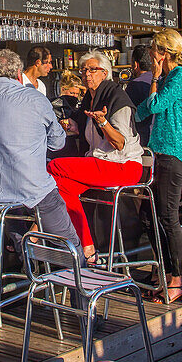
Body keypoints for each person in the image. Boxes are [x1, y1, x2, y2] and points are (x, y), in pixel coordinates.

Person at [0, 49, 79, 249]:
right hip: (30, 189)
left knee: (13, 210)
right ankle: (75, 267)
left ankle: (26, 255)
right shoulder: (35, 99)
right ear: (19, 75)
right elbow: (58, 143)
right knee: (68, 242)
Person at [46, 51, 144, 263]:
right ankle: (87, 248)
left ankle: (38, 231)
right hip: (101, 163)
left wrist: (103, 122)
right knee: (59, 186)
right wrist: (73, 126)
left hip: (123, 166)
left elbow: (119, 143)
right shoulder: (90, 101)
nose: (86, 74)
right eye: (83, 70)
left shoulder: (117, 99)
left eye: (92, 70)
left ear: (105, 73)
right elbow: (89, 133)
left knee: (54, 166)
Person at [134, 29, 182, 305]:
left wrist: (156, 78)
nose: (149, 54)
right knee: (153, 215)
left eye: (153, 49)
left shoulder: (180, 76)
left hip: (174, 153)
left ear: (164, 53)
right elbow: (142, 111)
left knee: (169, 217)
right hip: (161, 153)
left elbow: (155, 104)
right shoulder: (171, 78)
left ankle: (178, 280)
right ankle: (165, 273)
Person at [125, 45, 154, 146]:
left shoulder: (135, 85)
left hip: (142, 137)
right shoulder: (162, 81)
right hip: (159, 137)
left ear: (136, 65)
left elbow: (127, 113)